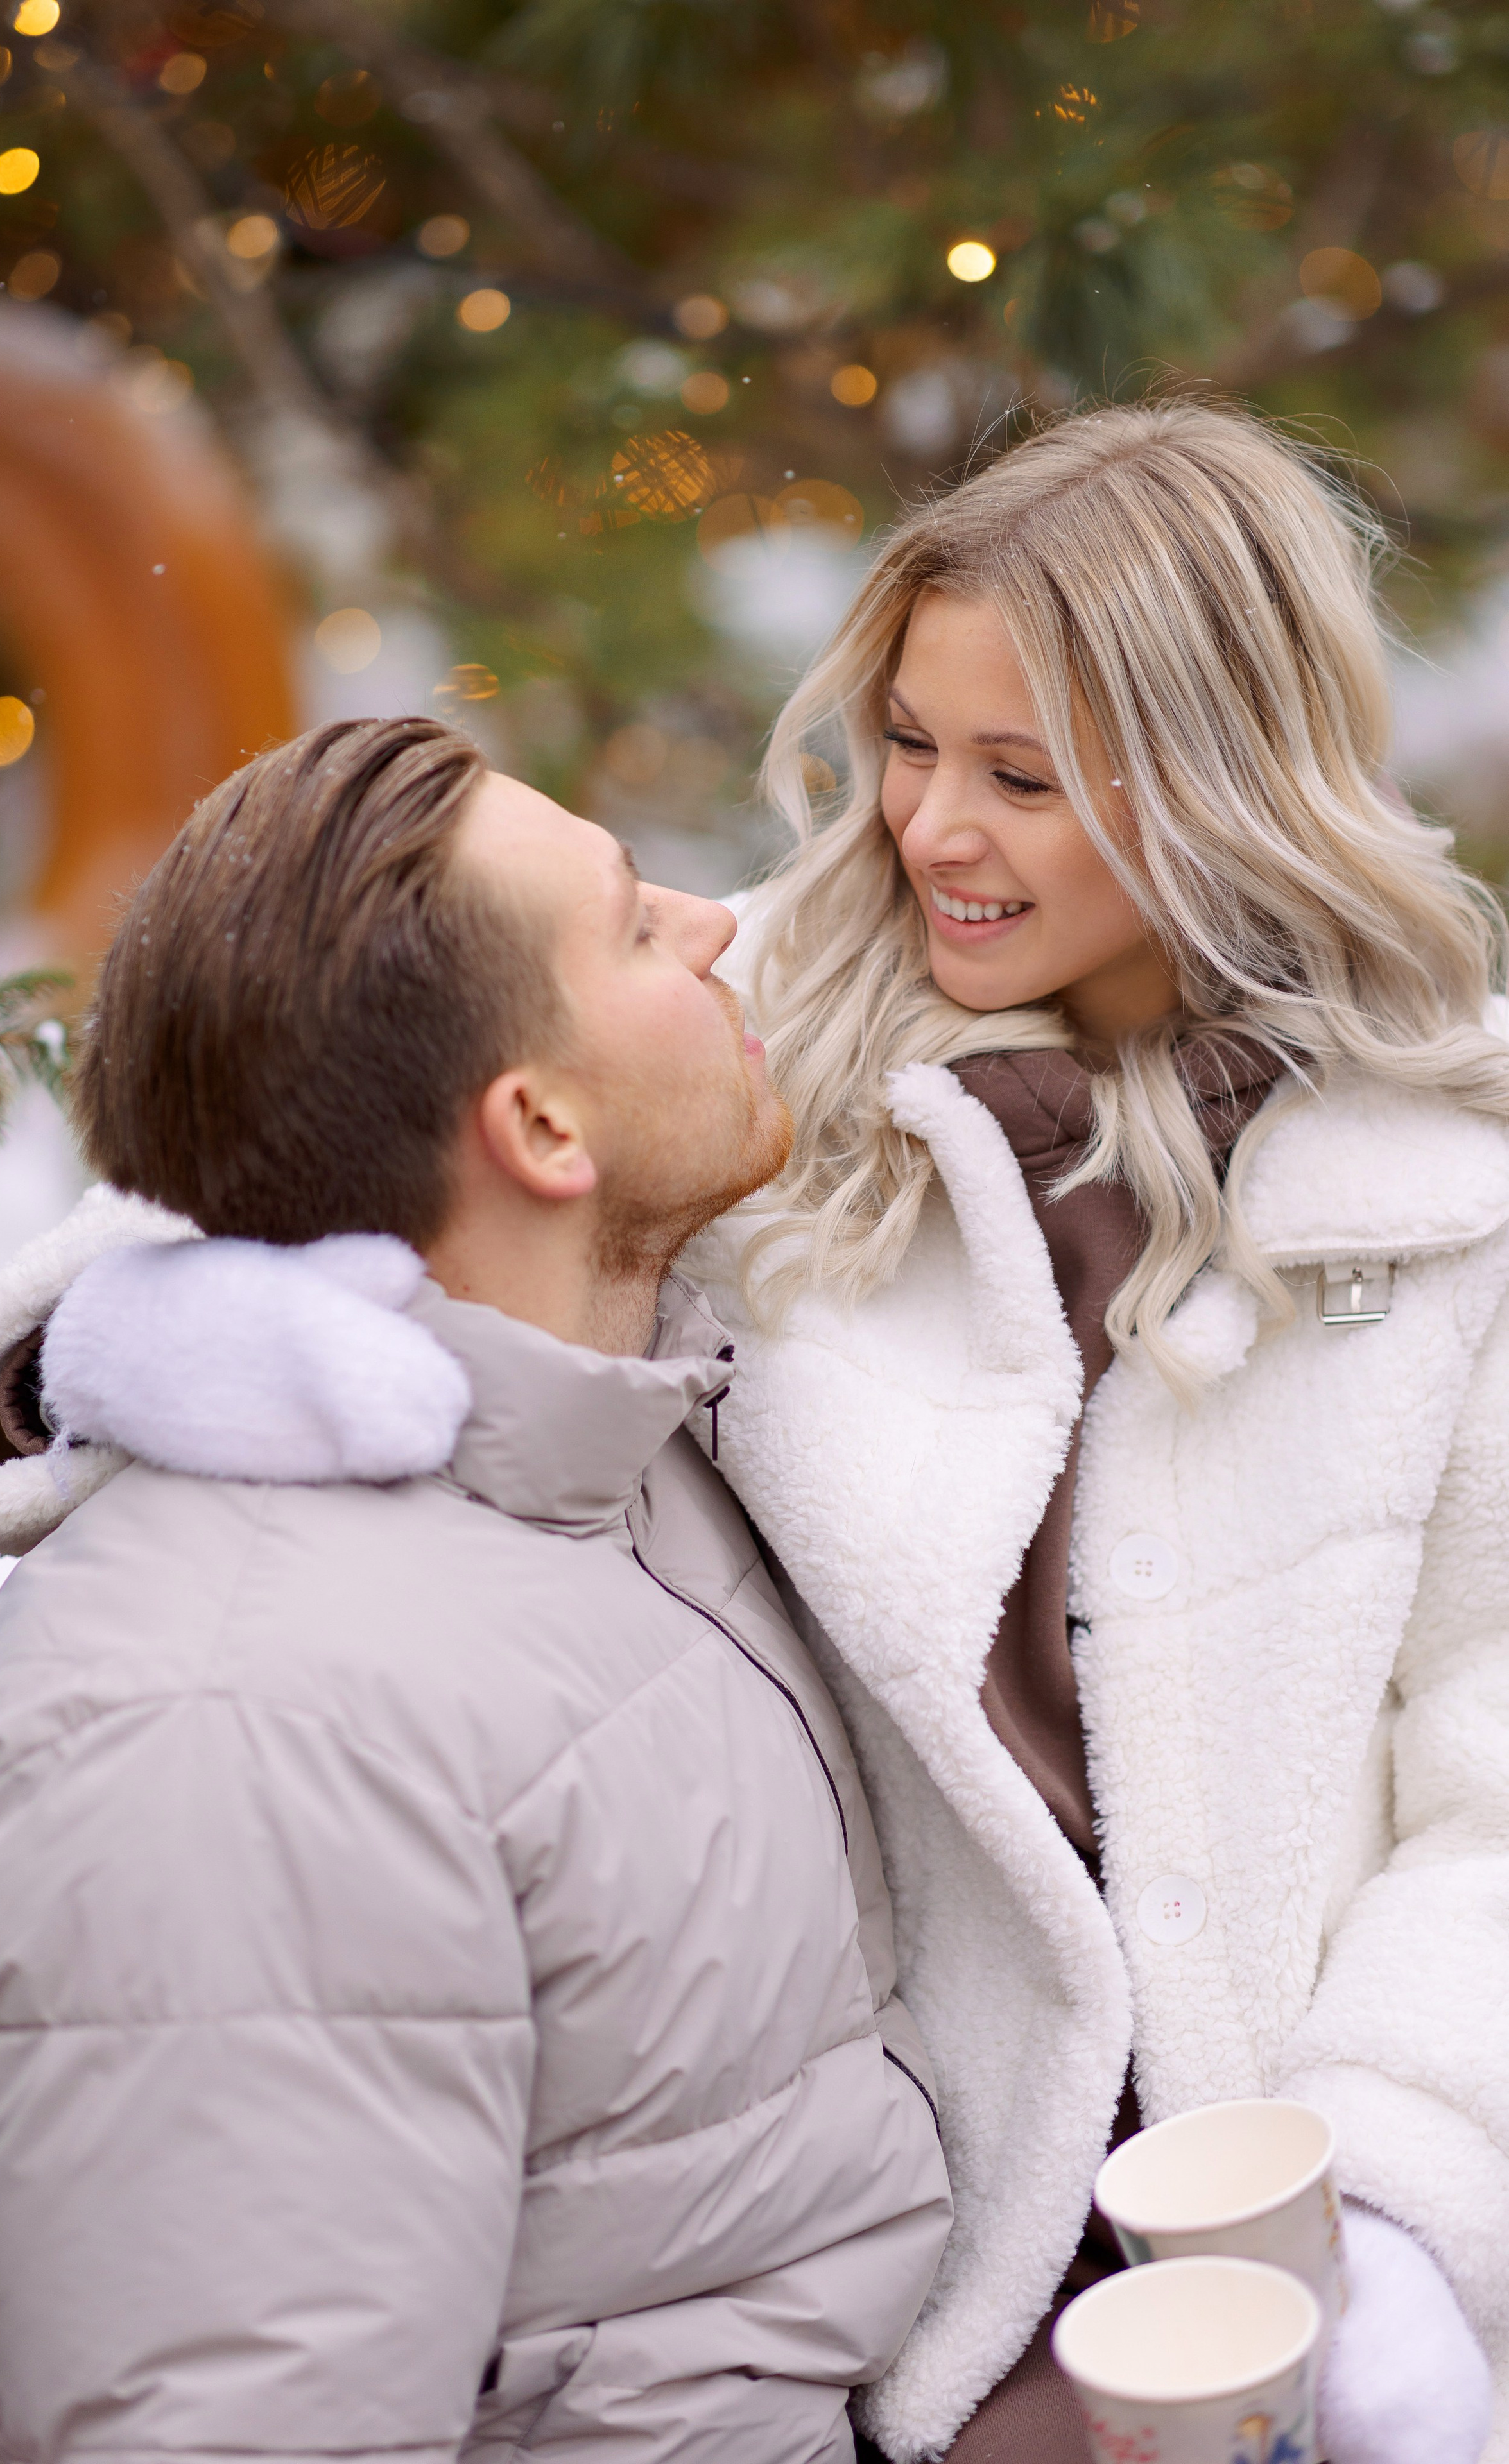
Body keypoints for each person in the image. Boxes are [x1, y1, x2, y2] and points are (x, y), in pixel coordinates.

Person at [0, 717, 952, 2464]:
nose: (719, 923)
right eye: (631, 923)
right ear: (537, 1123)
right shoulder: (221, 1745)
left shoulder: (583, 1455)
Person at [670, 401, 1504, 2464]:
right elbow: (352, 1172)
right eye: (909, 743)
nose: (928, 828)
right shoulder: (737, 1042)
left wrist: (1384, 2212)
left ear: (1225, 788)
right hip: (845, 2256)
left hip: (1268, 2260)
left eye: (1023, 779)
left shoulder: (1454, 1174)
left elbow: (1495, 1760)